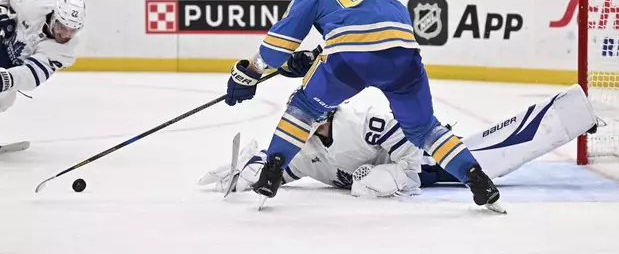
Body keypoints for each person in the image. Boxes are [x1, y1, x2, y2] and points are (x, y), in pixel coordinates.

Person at [223, 0, 502, 211]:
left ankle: (272, 171)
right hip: (403, 53)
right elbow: (371, 24)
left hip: (349, 59)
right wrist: (320, 54)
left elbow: (281, 42)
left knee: (305, 108)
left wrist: (250, 71)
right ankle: (476, 177)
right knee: (425, 128)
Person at [203, 84, 596, 197]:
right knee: (488, 156)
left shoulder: (363, 123)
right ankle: (571, 112)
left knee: (491, 157)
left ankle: (571, 112)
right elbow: (280, 174)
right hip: (411, 165)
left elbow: (410, 144)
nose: (298, 125)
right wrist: (247, 174)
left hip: (425, 157)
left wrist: (396, 175)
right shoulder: (303, 154)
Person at [0, 0, 86, 113]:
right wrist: (2, 12)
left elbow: (32, 75)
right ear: (55, 17)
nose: (65, 34)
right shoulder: (36, 5)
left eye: (72, 30)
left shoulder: (64, 53)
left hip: (9, 69)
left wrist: (5, 79)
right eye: (62, 27)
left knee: (5, 100)